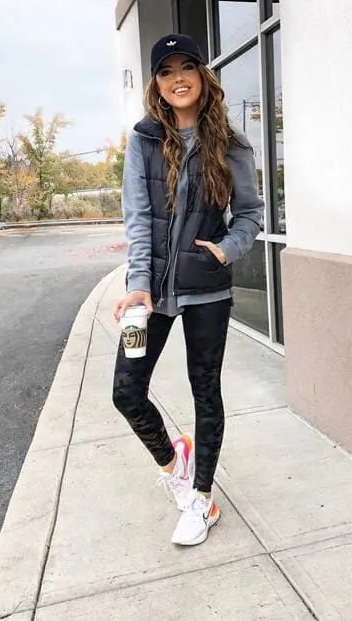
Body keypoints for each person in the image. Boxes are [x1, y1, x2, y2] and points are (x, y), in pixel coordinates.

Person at [112, 33, 263, 546]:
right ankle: (175, 463)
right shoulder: (144, 140)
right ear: (156, 83)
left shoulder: (231, 143)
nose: (178, 77)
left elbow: (249, 214)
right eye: (166, 70)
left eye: (186, 67)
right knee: (126, 392)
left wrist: (224, 250)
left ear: (202, 76)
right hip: (150, 293)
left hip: (207, 290)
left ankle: (201, 501)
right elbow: (136, 215)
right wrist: (137, 285)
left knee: (206, 393)